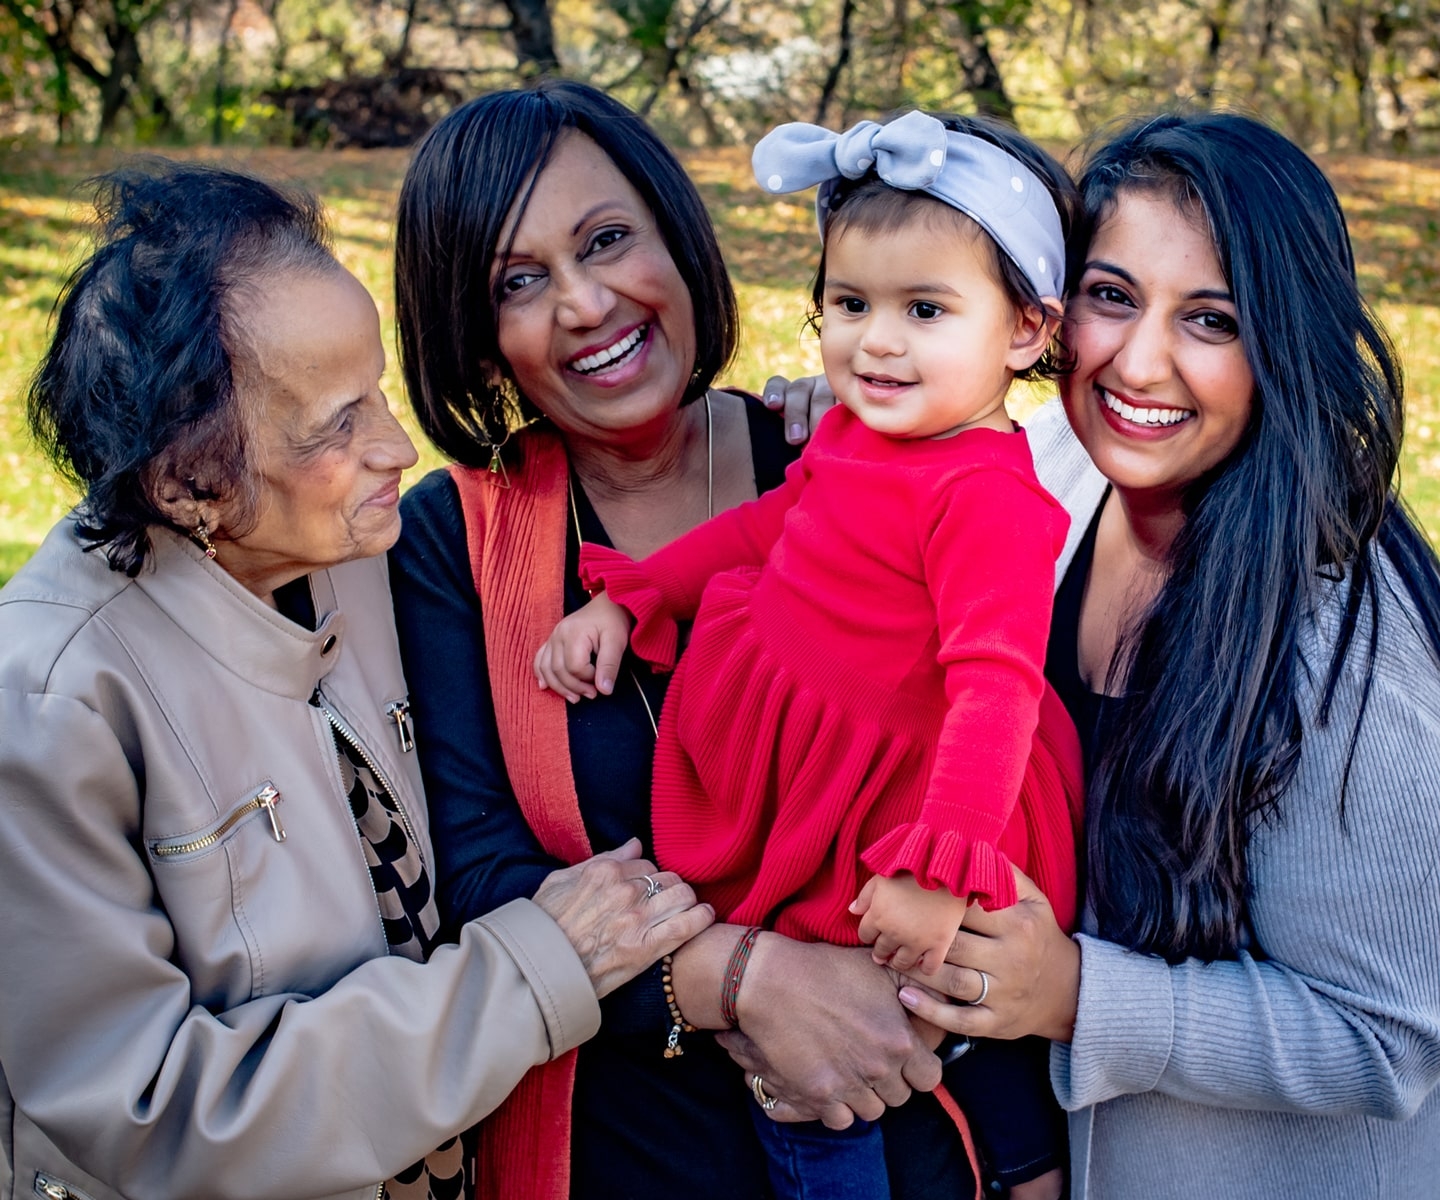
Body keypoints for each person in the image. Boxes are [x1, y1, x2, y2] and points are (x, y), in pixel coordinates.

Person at [0, 159, 713, 1200]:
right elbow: (149, 1111)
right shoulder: (53, 698)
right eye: (337, 426)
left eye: (378, 391)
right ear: (189, 479)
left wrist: (846, 433)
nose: (394, 445)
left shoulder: (371, 558)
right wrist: (531, 968)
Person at [390, 80, 1008, 1200]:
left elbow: (989, 765)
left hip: (910, 1117)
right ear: (480, 345)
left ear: (678, 243)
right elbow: (476, 875)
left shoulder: (842, 461)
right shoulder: (453, 541)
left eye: (608, 240)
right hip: (623, 1148)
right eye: (519, 283)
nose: (584, 303)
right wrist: (741, 978)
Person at [534, 108, 1085, 1200]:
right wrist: (638, 591)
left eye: (925, 310)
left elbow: (994, 692)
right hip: (818, 769)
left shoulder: (984, 498)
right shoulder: (855, 430)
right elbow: (772, 524)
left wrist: (937, 870)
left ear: (1024, 332)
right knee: (819, 1020)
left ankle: (999, 1158)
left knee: (884, 1036)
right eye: (850, 304)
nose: (876, 341)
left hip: (907, 806)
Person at [896, 111, 1440, 1199]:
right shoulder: (1046, 473)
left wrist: (1078, 997)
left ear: (1285, 340)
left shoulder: (1346, 643)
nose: (1138, 362)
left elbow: (1388, 1039)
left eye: (1211, 319)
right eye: (1111, 296)